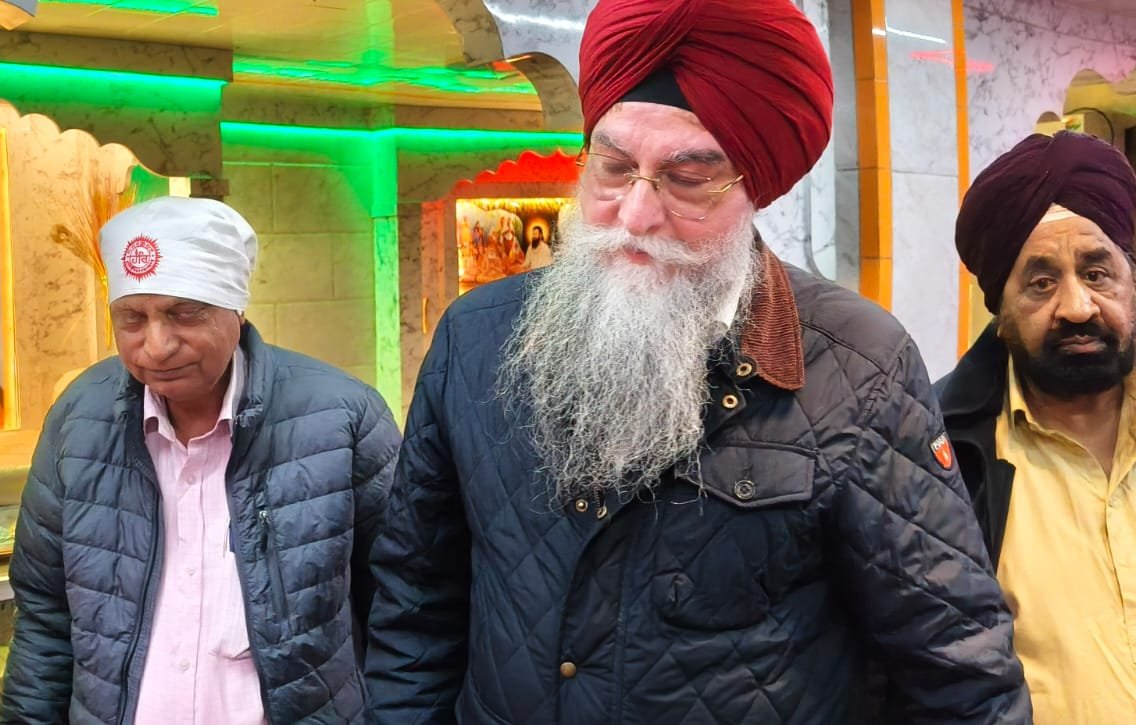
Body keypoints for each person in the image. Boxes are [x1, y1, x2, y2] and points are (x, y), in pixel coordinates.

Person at [363, 0, 1029, 722]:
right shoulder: (474, 337)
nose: (635, 216)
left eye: (687, 178)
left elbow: (956, 670)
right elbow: (416, 608)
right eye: (613, 168)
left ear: (755, 187)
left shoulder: (859, 365)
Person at [0, 196, 400, 723]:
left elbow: (402, 603)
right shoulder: (80, 421)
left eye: (184, 314)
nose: (157, 346)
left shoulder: (339, 419)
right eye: (132, 319)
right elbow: (45, 618)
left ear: (237, 309)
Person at [940, 131, 1136, 722]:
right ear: (999, 311)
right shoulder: (939, 456)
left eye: (1097, 273)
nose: (1077, 307)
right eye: (1041, 282)